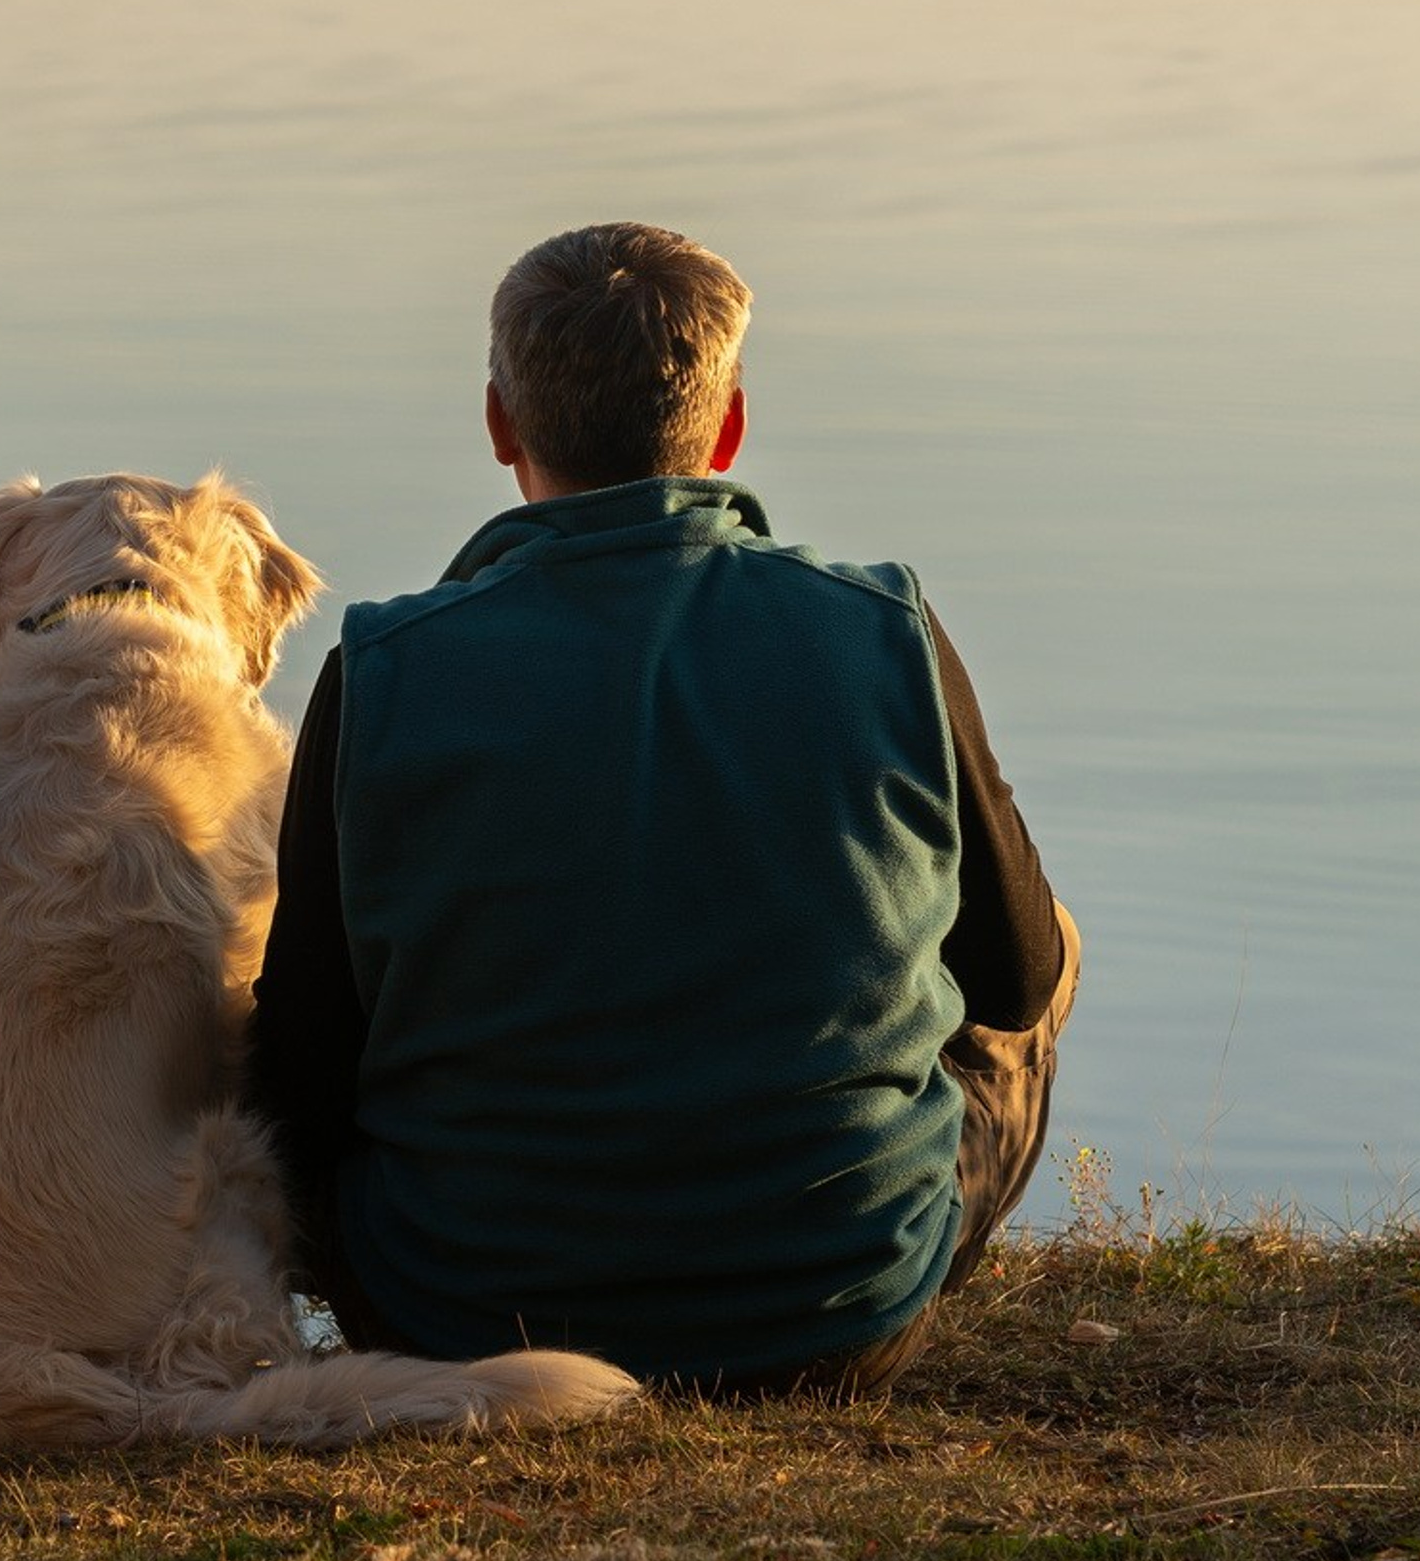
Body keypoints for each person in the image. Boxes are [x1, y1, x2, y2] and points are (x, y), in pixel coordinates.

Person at [249, 223, 1078, 1397]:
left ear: (499, 423)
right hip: (836, 1315)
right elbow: (1019, 977)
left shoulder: (383, 668)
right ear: (728, 423)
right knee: (1044, 956)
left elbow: (301, 1072)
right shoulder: (882, 627)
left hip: (463, 1322)